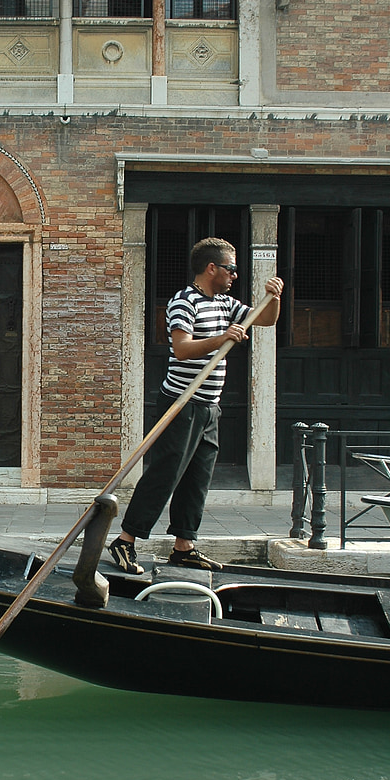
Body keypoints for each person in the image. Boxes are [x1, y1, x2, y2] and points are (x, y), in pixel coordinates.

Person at [108, 237, 284, 576]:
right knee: (165, 474)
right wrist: (223, 338)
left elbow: (266, 320)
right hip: (181, 403)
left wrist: (274, 298)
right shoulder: (183, 302)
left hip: (208, 407)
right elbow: (183, 348)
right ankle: (126, 540)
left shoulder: (225, 303)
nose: (235, 275)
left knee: (197, 478)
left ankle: (183, 546)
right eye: (231, 269)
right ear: (212, 268)